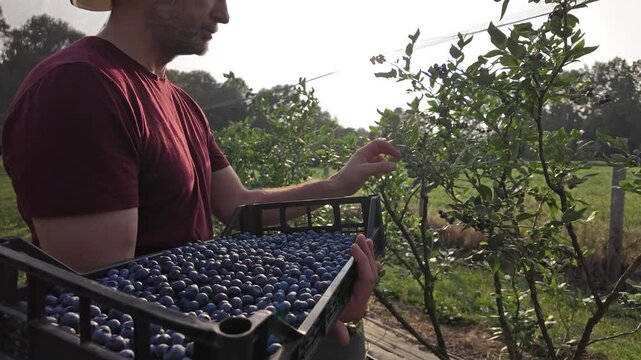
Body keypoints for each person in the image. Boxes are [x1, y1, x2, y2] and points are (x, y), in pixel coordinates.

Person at [1, 0, 400, 355]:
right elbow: (106, 300)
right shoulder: (79, 86)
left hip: (208, 325)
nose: (223, 14)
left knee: (347, 345)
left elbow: (239, 206)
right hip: (163, 338)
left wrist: (336, 186)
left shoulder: (183, 105)